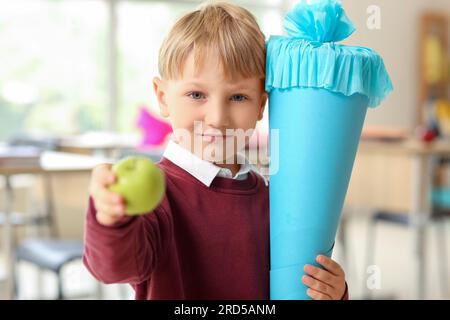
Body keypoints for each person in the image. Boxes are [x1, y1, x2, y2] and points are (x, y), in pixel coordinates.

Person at [83, 1, 348, 300]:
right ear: (163, 97)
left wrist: (333, 293)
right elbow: (114, 268)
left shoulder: (273, 198)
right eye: (196, 94)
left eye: (238, 97)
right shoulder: (158, 199)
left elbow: (295, 288)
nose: (217, 117)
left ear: (260, 106)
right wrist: (111, 217)